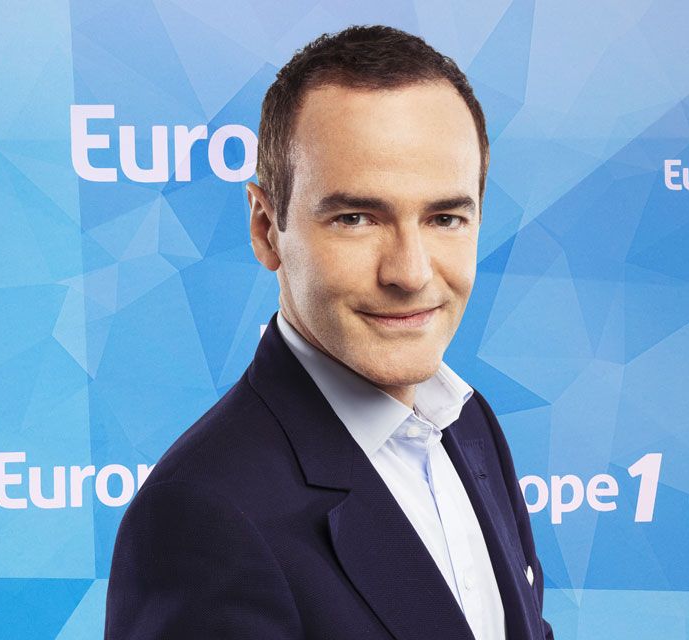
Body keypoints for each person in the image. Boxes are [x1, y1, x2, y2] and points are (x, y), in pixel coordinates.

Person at [105, 24, 555, 640]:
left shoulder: (471, 423)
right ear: (266, 229)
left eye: (445, 218)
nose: (410, 273)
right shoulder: (203, 515)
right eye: (356, 218)